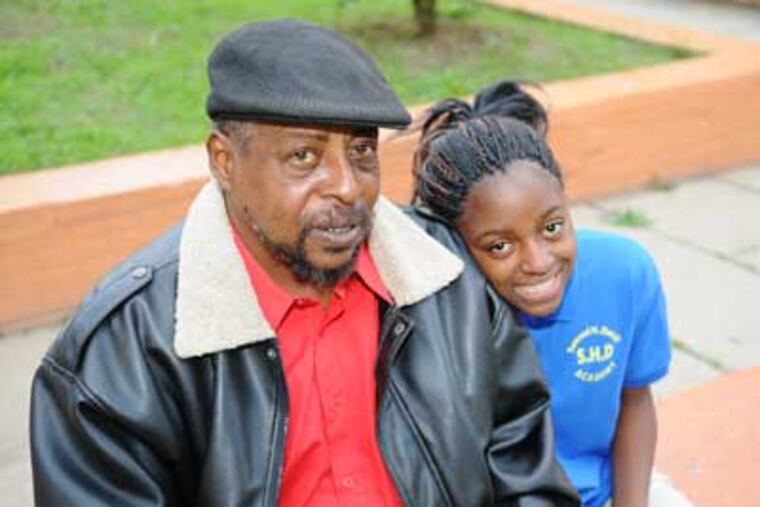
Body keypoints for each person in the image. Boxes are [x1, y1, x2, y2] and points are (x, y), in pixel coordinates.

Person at [29, 21, 579, 506]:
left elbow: (527, 472)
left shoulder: (448, 279)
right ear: (225, 160)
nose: (346, 186)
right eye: (304, 156)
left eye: (362, 152)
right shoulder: (120, 352)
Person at [412, 80, 672, 507]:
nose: (537, 261)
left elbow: (635, 401)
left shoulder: (624, 273)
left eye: (552, 227)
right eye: (500, 246)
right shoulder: (437, 313)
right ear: (456, 243)